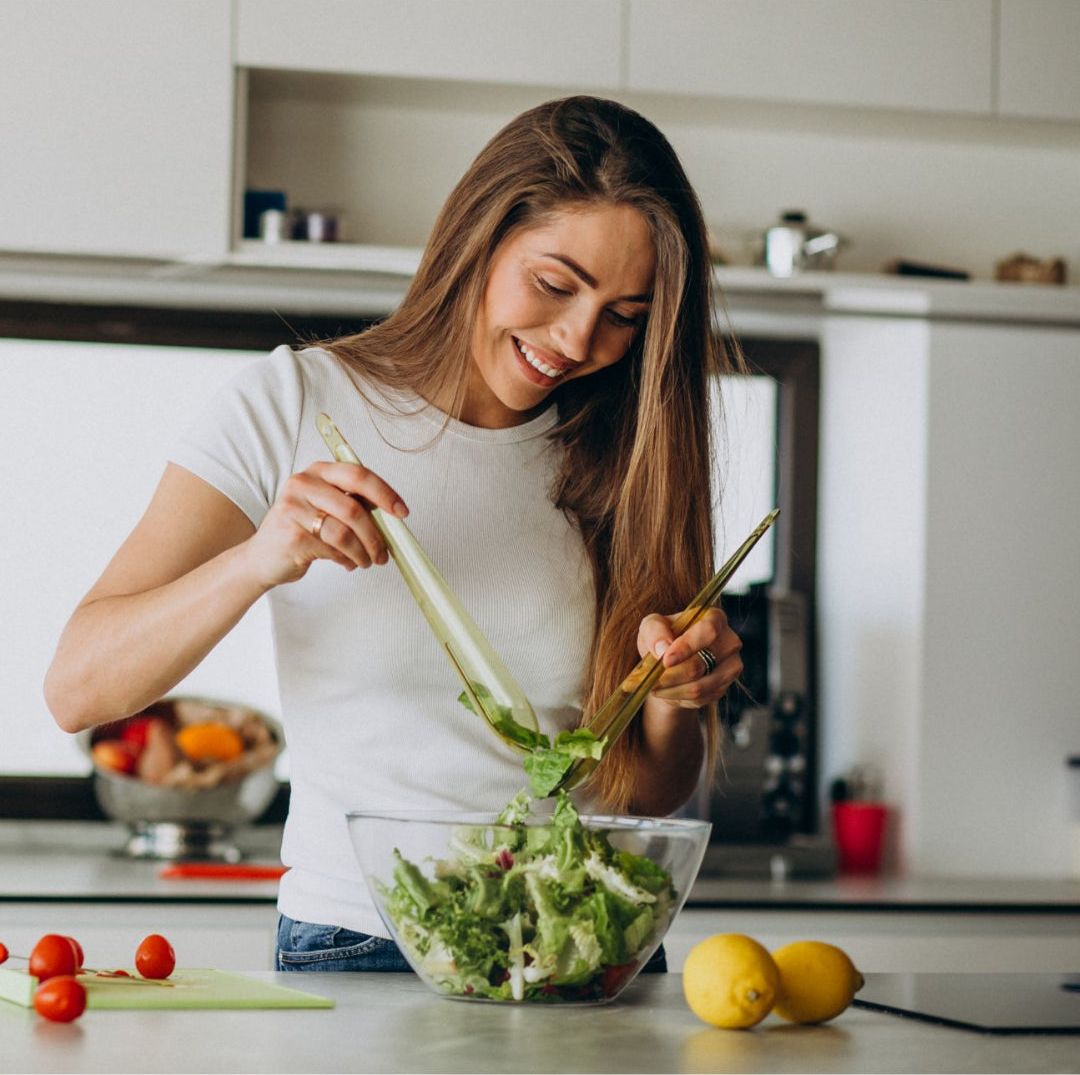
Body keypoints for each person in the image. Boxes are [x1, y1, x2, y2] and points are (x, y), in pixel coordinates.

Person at [45, 96, 745, 972]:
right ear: (478, 241)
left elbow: (642, 785)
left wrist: (680, 698)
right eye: (554, 285)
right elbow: (78, 688)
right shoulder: (294, 406)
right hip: (363, 939)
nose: (576, 339)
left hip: (588, 944)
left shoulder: (629, 454)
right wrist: (259, 558)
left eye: (625, 315)